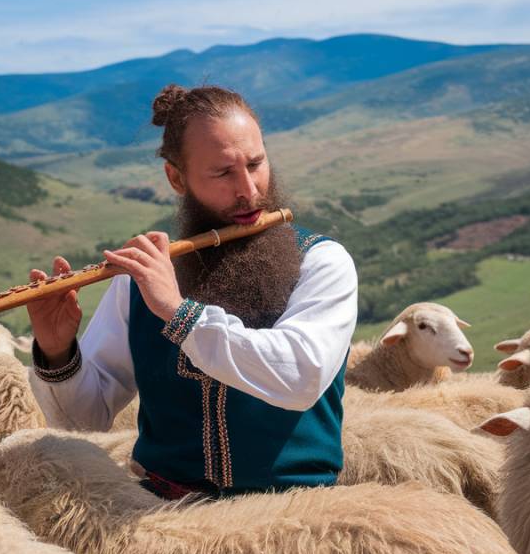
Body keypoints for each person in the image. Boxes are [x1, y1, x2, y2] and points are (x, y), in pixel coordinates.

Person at [26, 84, 358, 498]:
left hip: (294, 516)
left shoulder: (323, 263)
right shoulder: (139, 277)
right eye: (223, 173)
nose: (249, 190)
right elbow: (84, 420)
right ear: (176, 179)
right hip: (165, 519)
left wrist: (179, 314)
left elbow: (300, 376)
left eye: (256, 164)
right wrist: (57, 351)